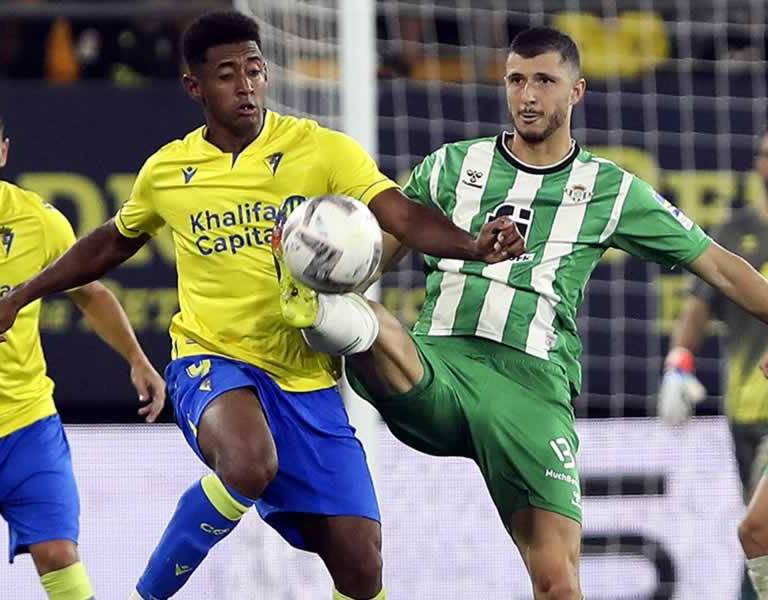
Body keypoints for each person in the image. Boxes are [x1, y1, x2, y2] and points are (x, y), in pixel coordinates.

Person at [0, 12, 522, 600]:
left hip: (306, 378)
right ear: (194, 87)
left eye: (255, 70)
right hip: (210, 361)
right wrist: (20, 297)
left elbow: (402, 216)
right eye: (228, 74)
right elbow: (108, 245)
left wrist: (471, 245)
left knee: (362, 568)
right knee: (249, 463)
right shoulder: (169, 170)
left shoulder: (319, 150)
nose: (247, 85)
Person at [284, 27, 768, 599]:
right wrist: (322, 264)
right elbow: (371, 263)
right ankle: (307, 305)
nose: (528, 95)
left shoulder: (610, 191)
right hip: (441, 367)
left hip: (531, 390)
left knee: (558, 583)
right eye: (517, 80)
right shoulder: (451, 167)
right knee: (360, 314)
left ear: (577, 91)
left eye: (544, 80)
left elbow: (721, 268)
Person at [0, 97, 165, 599]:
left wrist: (137, 359)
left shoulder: (37, 221)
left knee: (58, 556)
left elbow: (91, 292)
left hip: (24, 425)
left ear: (4, 152)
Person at [660, 131, 768, 600]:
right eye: (766, 154)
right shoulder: (735, 231)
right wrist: (678, 365)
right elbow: (698, 309)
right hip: (742, 408)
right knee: (755, 533)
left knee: (758, 532)